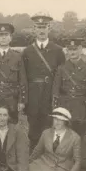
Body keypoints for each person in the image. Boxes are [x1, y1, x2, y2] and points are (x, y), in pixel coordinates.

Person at [22, 13, 66, 147]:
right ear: (34, 29)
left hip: (50, 96)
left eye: (44, 27)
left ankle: (49, 161)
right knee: (33, 130)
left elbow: (62, 76)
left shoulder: (58, 51)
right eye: (38, 27)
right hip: (33, 97)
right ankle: (33, 160)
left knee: (50, 129)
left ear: (49, 28)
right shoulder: (27, 51)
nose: (41, 30)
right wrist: (25, 100)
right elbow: (23, 77)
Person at [52, 38, 86, 137]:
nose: (72, 52)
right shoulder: (61, 68)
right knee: (64, 135)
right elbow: (55, 90)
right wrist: (56, 109)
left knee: (81, 135)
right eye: (70, 49)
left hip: (81, 108)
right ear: (67, 51)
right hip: (65, 106)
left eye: (75, 49)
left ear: (81, 49)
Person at [29, 107, 81, 171]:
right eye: (55, 119)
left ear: (66, 122)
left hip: (61, 167)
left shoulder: (75, 137)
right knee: (26, 170)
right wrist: (29, 162)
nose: (57, 122)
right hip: (44, 162)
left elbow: (78, 160)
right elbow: (37, 151)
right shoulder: (46, 133)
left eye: (61, 120)